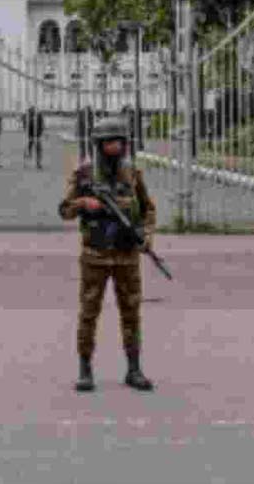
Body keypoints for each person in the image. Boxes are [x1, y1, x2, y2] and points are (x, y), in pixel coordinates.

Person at [58, 116, 156, 393]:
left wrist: (146, 237)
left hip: (127, 256)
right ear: (99, 145)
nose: (117, 147)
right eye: (111, 142)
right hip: (95, 256)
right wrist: (83, 203)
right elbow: (65, 210)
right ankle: (85, 370)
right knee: (89, 313)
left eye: (120, 142)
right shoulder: (84, 175)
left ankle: (134, 369)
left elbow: (148, 210)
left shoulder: (133, 174)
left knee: (131, 313)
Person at [25, 104, 45, 170]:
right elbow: (27, 126)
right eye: (32, 110)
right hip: (32, 136)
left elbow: (42, 125)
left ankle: (38, 163)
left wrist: (41, 133)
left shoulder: (39, 116)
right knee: (30, 149)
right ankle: (29, 161)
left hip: (37, 136)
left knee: (38, 150)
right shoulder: (29, 117)